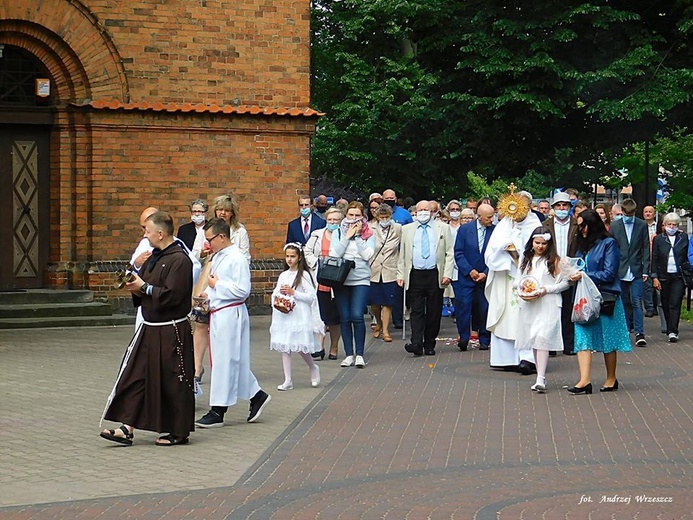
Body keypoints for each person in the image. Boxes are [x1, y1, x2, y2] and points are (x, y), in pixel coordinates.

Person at [100, 211, 194, 446]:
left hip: (171, 329)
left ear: (160, 233)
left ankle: (178, 431)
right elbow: (145, 285)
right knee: (136, 375)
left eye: (147, 230)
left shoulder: (180, 260)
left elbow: (174, 295)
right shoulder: (154, 257)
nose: (145, 234)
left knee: (173, 380)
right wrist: (135, 287)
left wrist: (145, 287)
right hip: (150, 327)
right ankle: (127, 426)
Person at [195, 218, 271, 428]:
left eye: (210, 239)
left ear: (221, 236)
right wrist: (207, 294)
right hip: (219, 312)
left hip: (231, 313)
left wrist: (217, 285)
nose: (207, 243)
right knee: (227, 360)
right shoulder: (219, 256)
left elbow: (242, 290)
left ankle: (218, 410)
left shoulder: (237, 258)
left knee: (225, 361)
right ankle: (256, 395)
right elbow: (214, 283)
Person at [567, 210, 631, 394]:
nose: (581, 230)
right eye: (578, 226)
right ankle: (584, 381)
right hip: (583, 298)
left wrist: (584, 275)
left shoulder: (609, 243)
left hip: (605, 296)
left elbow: (609, 273)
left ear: (593, 224)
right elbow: (577, 265)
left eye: (583, 225)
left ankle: (611, 378)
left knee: (608, 338)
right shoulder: (582, 245)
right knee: (582, 337)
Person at [484, 190, 540, 374]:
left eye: (523, 205)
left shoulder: (535, 223)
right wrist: (508, 248)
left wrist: (524, 258)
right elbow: (491, 252)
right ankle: (504, 359)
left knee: (526, 318)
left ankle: (528, 359)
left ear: (529, 206)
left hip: (528, 277)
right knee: (505, 315)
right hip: (506, 276)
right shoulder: (504, 224)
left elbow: (541, 247)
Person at [398, 200, 455, 356]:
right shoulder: (407, 229)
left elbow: (449, 253)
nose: (423, 212)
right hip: (415, 274)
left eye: (426, 210)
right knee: (416, 310)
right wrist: (400, 274)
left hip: (434, 274)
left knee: (433, 311)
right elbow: (402, 254)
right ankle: (416, 342)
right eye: (420, 210)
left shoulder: (443, 228)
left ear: (432, 212)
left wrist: (447, 274)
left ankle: (429, 343)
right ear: (415, 212)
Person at [515, 227, 568, 392]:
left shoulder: (555, 260)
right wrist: (522, 290)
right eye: (537, 243)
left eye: (544, 243)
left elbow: (565, 283)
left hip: (549, 303)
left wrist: (546, 289)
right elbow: (518, 280)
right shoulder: (527, 260)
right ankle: (539, 374)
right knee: (535, 340)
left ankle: (541, 378)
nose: (540, 246)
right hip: (531, 304)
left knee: (543, 337)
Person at [270, 243, 323, 390]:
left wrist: (294, 294)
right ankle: (288, 380)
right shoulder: (283, 275)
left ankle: (313, 367)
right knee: (285, 346)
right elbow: (275, 292)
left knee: (300, 346)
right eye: (287, 256)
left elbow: (311, 297)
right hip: (285, 314)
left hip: (299, 314)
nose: (289, 259)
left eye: (292, 256)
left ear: (299, 258)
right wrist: (278, 297)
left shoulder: (304, 275)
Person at [329, 201, 375, 368]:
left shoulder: (368, 232)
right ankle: (349, 354)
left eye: (357, 216)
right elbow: (334, 253)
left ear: (362, 217)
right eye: (351, 215)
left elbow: (368, 254)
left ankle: (360, 354)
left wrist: (358, 237)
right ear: (346, 215)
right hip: (341, 279)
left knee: (357, 315)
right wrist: (347, 236)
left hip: (361, 278)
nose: (354, 219)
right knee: (345, 317)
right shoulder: (339, 232)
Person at [453, 203, 495, 351]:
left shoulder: (495, 231)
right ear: (479, 216)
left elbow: (497, 255)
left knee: (484, 308)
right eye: (489, 217)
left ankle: (484, 339)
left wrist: (486, 272)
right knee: (463, 307)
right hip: (467, 277)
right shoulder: (465, 230)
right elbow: (458, 252)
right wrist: (469, 270)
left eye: (493, 216)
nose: (492, 219)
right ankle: (464, 337)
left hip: (485, 276)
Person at [305, 207, 343, 360]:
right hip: (319, 280)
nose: (332, 222)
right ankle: (319, 347)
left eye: (336, 220)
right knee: (319, 316)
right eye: (330, 220)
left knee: (334, 318)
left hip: (337, 281)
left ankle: (334, 347)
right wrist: (317, 263)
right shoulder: (316, 235)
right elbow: (307, 251)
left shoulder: (344, 236)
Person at [610, 198, 649, 347]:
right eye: (625, 213)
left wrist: (646, 270)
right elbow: (611, 249)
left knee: (637, 301)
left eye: (630, 214)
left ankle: (639, 333)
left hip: (636, 269)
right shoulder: (615, 226)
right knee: (624, 301)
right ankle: (625, 330)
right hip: (620, 269)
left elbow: (646, 248)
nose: (627, 216)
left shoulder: (641, 225)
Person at [544, 192, 579, 355]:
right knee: (550, 309)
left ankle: (568, 344)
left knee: (568, 308)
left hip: (570, 270)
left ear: (570, 207)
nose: (562, 208)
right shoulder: (546, 224)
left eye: (565, 205)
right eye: (558, 205)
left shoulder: (576, 225)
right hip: (551, 270)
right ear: (554, 208)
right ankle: (550, 345)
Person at [368, 203, 402, 343]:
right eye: (381, 217)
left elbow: (402, 247)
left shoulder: (398, 228)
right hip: (374, 269)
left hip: (390, 269)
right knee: (374, 303)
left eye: (387, 217)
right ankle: (379, 323)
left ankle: (386, 330)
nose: (384, 219)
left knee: (388, 302)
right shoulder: (370, 228)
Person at [652, 213, 689, 342]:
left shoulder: (683, 237)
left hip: (678, 275)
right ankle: (668, 327)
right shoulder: (659, 239)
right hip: (663, 275)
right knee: (665, 302)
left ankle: (673, 330)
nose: (672, 227)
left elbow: (686, 255)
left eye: (674, 225)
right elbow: (655, 259)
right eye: (669, 224)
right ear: (664, 225)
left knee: (675, 303)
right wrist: (654, 277)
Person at [212, 194, 251, 260]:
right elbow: (196, 254)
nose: (223, 213)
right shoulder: (208, 229)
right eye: (220, 209)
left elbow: (246, 256)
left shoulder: (240, 231)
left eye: (227, 210)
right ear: (215, 211)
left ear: (232, 213)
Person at [643, 205, 658, 317]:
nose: (648, 213)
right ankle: (649, 307)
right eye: (646, 212)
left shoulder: (658, 227)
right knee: (647, 284)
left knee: (656, 283)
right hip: (645, 258)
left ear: (654, 214)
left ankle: (657, 306)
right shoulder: (641, 226)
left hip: (657, 258)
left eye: (650, 212)